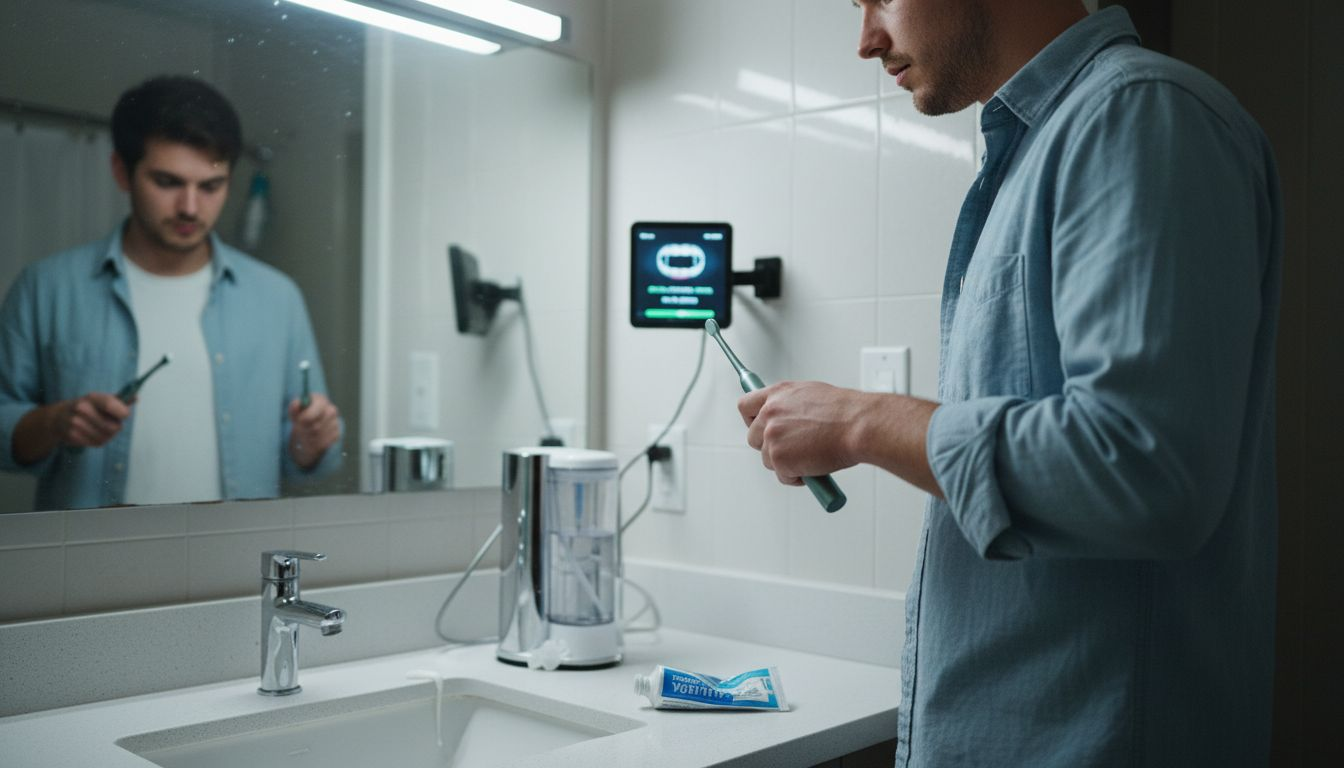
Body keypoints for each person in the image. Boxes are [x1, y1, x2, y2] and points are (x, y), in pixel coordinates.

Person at [740, 2, 1279, 765]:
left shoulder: (1138, 114)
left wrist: (864, 422)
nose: (865, 40)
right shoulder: (1036, 155)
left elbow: (1143, 468)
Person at [0, 75, 342, 511]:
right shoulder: (46, 288)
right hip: (90, 567)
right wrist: (52, 423)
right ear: (122, 171)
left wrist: (311, 440)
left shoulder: (278, 298)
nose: (190, 208)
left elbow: (302, 457)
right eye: (167, 182)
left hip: (233, 564)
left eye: (210, 186)